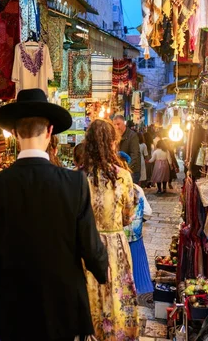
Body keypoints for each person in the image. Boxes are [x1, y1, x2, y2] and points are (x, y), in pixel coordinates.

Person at [0, 89, 109, 341]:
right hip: (63, 309)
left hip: (11, 310)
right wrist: (102, 272)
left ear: (14, 133)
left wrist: (4, 283)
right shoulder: (74, 183)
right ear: (49, 131)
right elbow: (90, 247)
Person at [81, 119, 139, 341]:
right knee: (117, 293)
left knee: (92, 293)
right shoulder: (123, 177)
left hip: (87, 245)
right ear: (112, 144)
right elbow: (128, 216)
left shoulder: (79, 177)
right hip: (115, 246)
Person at [113, 114, 140, 184]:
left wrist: (126, 169)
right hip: (119, 170)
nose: (116, 127)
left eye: (118, 124)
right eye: (114, 125)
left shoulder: (132, 136)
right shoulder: (114, 136)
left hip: (132, 170)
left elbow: (134, 155)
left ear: (124, 123)